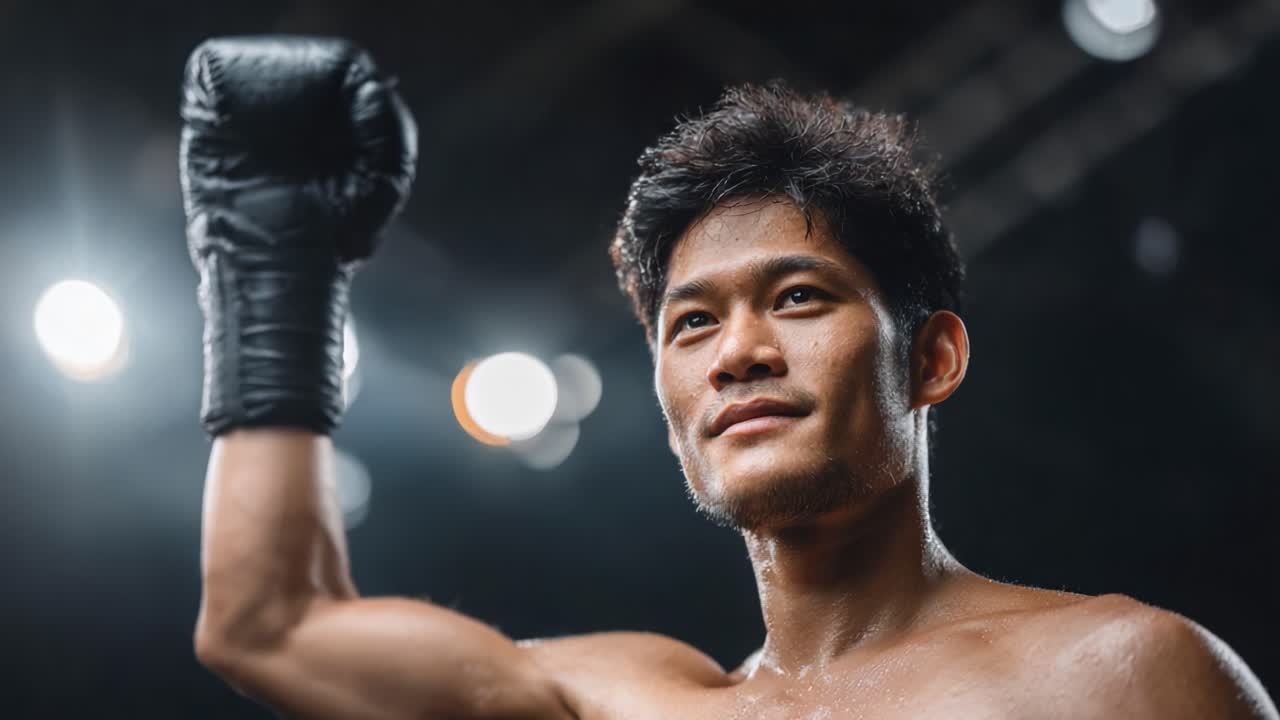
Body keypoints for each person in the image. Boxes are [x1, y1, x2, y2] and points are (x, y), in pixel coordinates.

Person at [185, 36, 1278, 719]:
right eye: (690, 321)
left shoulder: (1113, 676)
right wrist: (272, 262)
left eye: (797, 297)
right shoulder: (615, 700)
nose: (736, 351)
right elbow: (266, 625)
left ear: (932, 357)